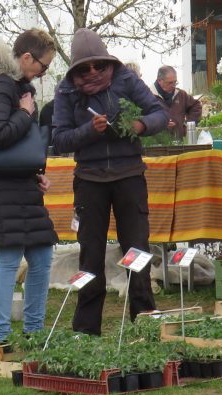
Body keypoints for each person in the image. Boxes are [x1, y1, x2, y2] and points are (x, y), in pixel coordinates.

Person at [51, 28, 168, 335]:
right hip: (89, 180)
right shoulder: (65, 91)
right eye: (84, 67)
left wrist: (139, 124)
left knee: (137, 250)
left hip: (129, 175)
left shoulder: (126, 80)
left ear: (107, 62)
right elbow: (59, 139)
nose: (92, 71)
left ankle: (144, 321)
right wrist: (90, 130)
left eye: (98, 65)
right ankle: (86, 330)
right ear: (75, 68)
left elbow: (159, 113)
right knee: (90, 254)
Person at [0, 30, 59, 372]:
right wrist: (23, 112)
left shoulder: (17, 86)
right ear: (26, 58)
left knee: (41, 254)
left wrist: (36, 171)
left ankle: (34, 336)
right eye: (43, 66)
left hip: (15, 183)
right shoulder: (3, 83)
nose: (44, 72)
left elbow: (18, 146)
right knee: (7, 260)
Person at [154, 65, 202, 139]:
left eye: (175, 82)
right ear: (159, 81)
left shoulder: (181, 94)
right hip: (156, 144)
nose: (173, 86)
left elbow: (196, 106)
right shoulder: (148, 96)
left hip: (179, 143)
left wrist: (188, 126)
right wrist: (160, 124)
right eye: (170, 83)